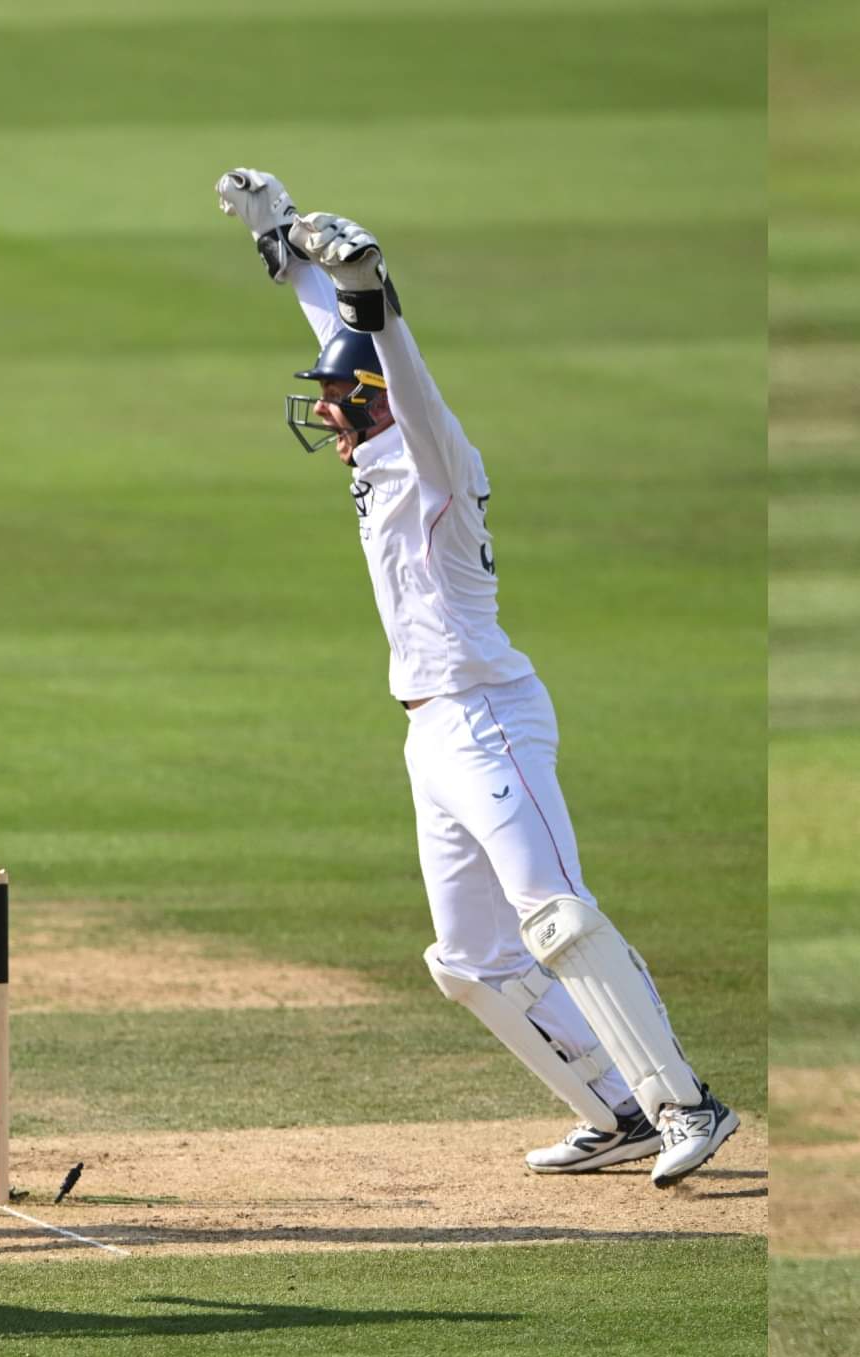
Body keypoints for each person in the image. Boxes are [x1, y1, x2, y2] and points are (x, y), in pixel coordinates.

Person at [213, 169, 738, 1188]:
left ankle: (688, 1105)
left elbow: (404, 377)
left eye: (335, 402)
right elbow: (350, 343)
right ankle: (616, 1109)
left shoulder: (438, 461)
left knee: (557, 917)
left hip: (491, 718)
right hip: (429, 732)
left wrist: (376, 302)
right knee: (470, 964)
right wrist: (283, 244)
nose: (324, 417)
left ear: (373, 404)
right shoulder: (374, 462)